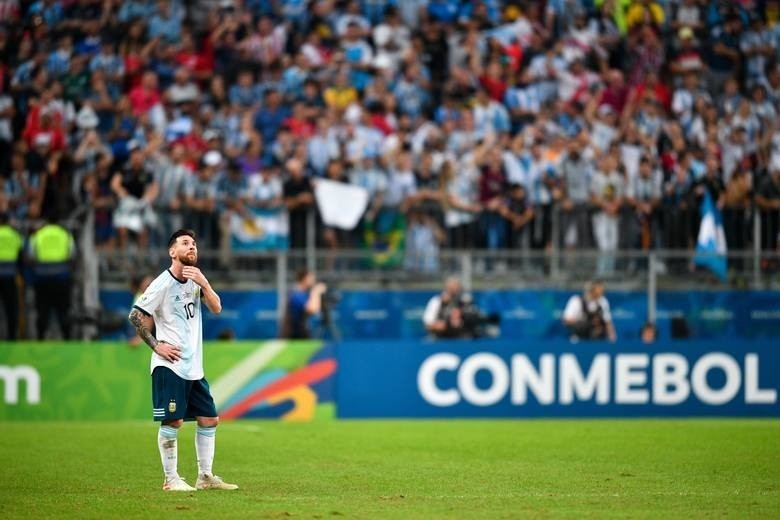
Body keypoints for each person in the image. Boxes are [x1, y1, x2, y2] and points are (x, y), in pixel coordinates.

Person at [128, 229, 237, 492]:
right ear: (172, 251)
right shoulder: (161, 284)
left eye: (194, 244)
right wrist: (156, 346)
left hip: (193, 366)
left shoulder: (196, 280)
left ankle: (205, 476)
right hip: (170, 365)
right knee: (173, 421)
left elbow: (217, 308)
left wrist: (205, 284)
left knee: (209, 419)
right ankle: (171, 479)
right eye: (186, 243)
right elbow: (135, 315)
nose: (192, 248)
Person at [27, 216, 76, 340]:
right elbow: (72, 256)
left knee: (42, 312)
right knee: (64, 312)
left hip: (42, 280)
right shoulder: (65, 235)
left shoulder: (37, 235)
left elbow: (30, 257)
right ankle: (67, 341)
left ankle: (40, 340)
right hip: (62, 279)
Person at [281, 267, 327, 339]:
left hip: (301, 334)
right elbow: (313, 309)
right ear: (304, 278)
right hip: (293, 337)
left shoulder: (304, 294)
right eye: (311, 278)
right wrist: (316, 292)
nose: (313, 281)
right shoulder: (296, 294)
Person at [0, 214, 23, 340]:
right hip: (9, 276)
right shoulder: (14, 235)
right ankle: (11, 337)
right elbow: (21, 255)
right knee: (11, 308)